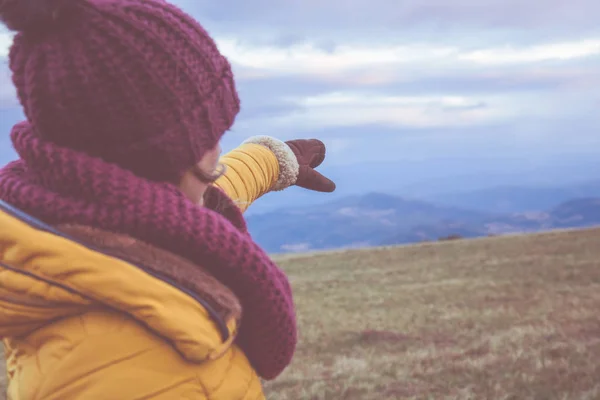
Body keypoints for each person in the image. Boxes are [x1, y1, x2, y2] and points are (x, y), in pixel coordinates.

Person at [0, 0, 335, 399]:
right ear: (164, 157)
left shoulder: (82, 226)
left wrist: (272, 161)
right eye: (209, 133)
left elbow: (206, 200)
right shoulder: (119, 374)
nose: (217, 149)